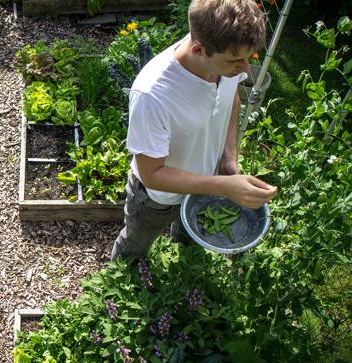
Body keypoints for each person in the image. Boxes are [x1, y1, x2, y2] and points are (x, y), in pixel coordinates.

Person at [111, 0, 278, 260]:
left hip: (206, 183)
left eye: (249, 58)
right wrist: (224, 187)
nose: (245, 69)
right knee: (134, 248)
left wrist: (228, 161)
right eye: (236, 60)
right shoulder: (153, 94)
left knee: (189, 249)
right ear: (199, 49)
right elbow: (152, 174)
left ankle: (185, 279)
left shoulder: (223, 59)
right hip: (157, 199)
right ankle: (117, 283)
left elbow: (231, 98)